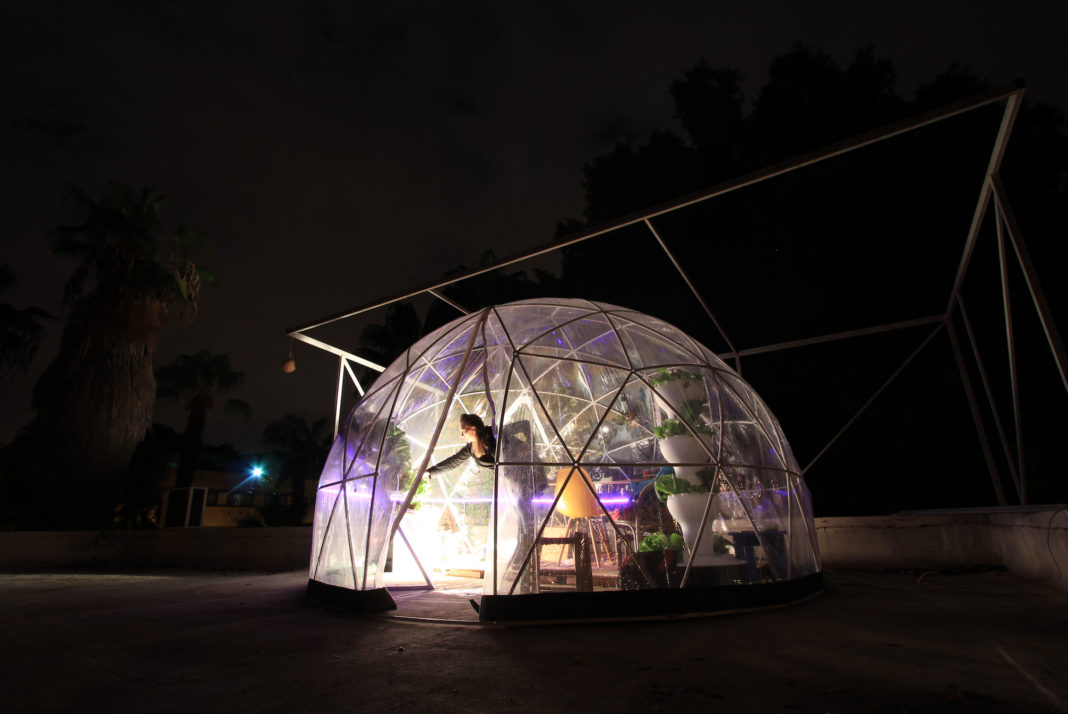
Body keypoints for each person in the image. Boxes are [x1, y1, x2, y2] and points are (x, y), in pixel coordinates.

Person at [424, 413, 496, 479]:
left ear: (473, 429)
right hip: (501, 479)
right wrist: (429, 472)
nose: (462, 435)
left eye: (464, 431)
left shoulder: (494, 435)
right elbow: (453, 461)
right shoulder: (470, 448)